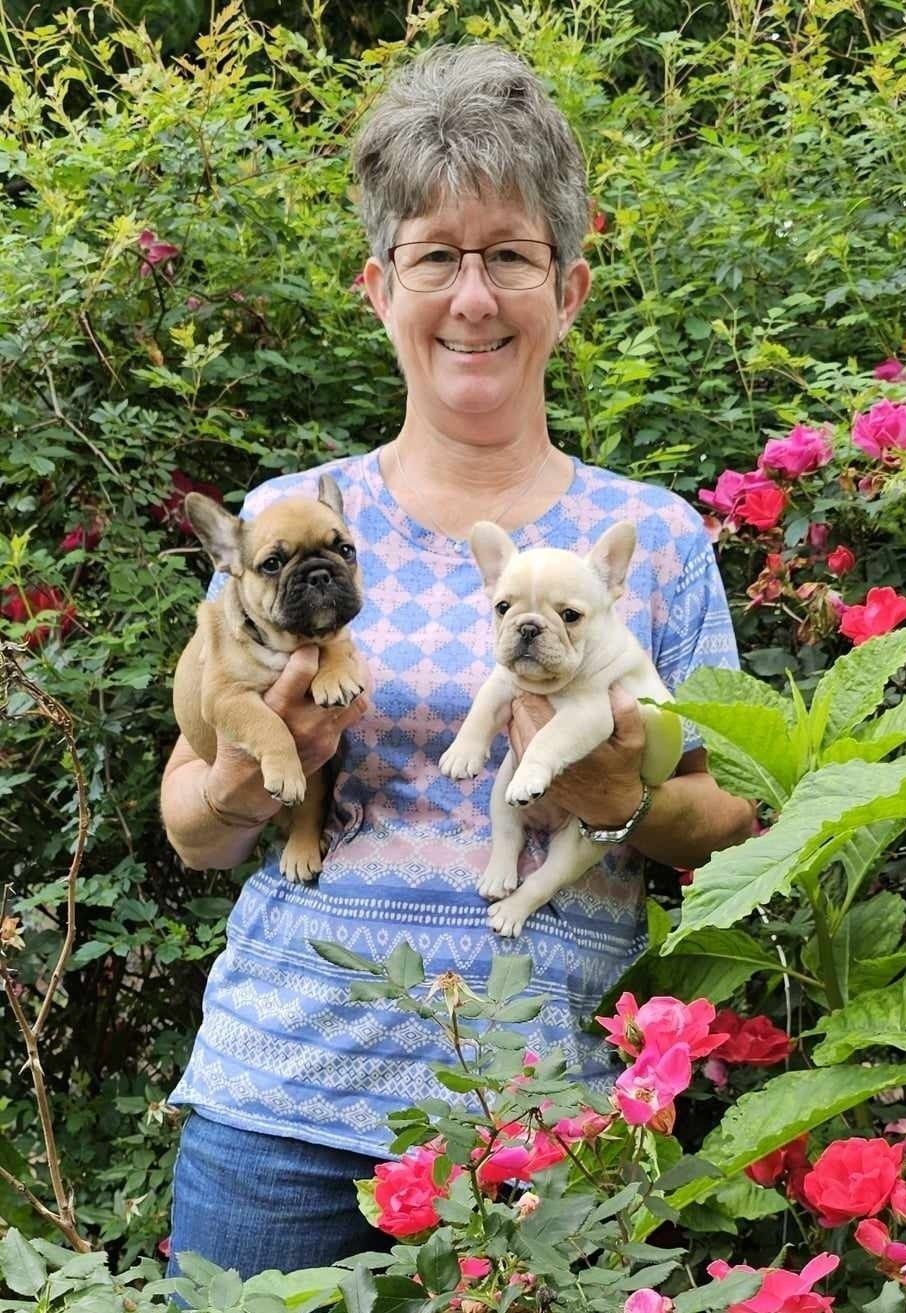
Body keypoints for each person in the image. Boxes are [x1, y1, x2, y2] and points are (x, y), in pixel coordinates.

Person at [161, 43, 754, 1280]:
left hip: (542, 1118)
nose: (472, 296)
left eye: (510, 256)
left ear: (570, 286)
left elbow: (735, 816)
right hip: (283, 1103)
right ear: (379, 286)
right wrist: (259, 772)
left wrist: (615, 792)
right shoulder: (290, 525)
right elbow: (190, 826)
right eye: (435, 255)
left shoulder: (651, 541)